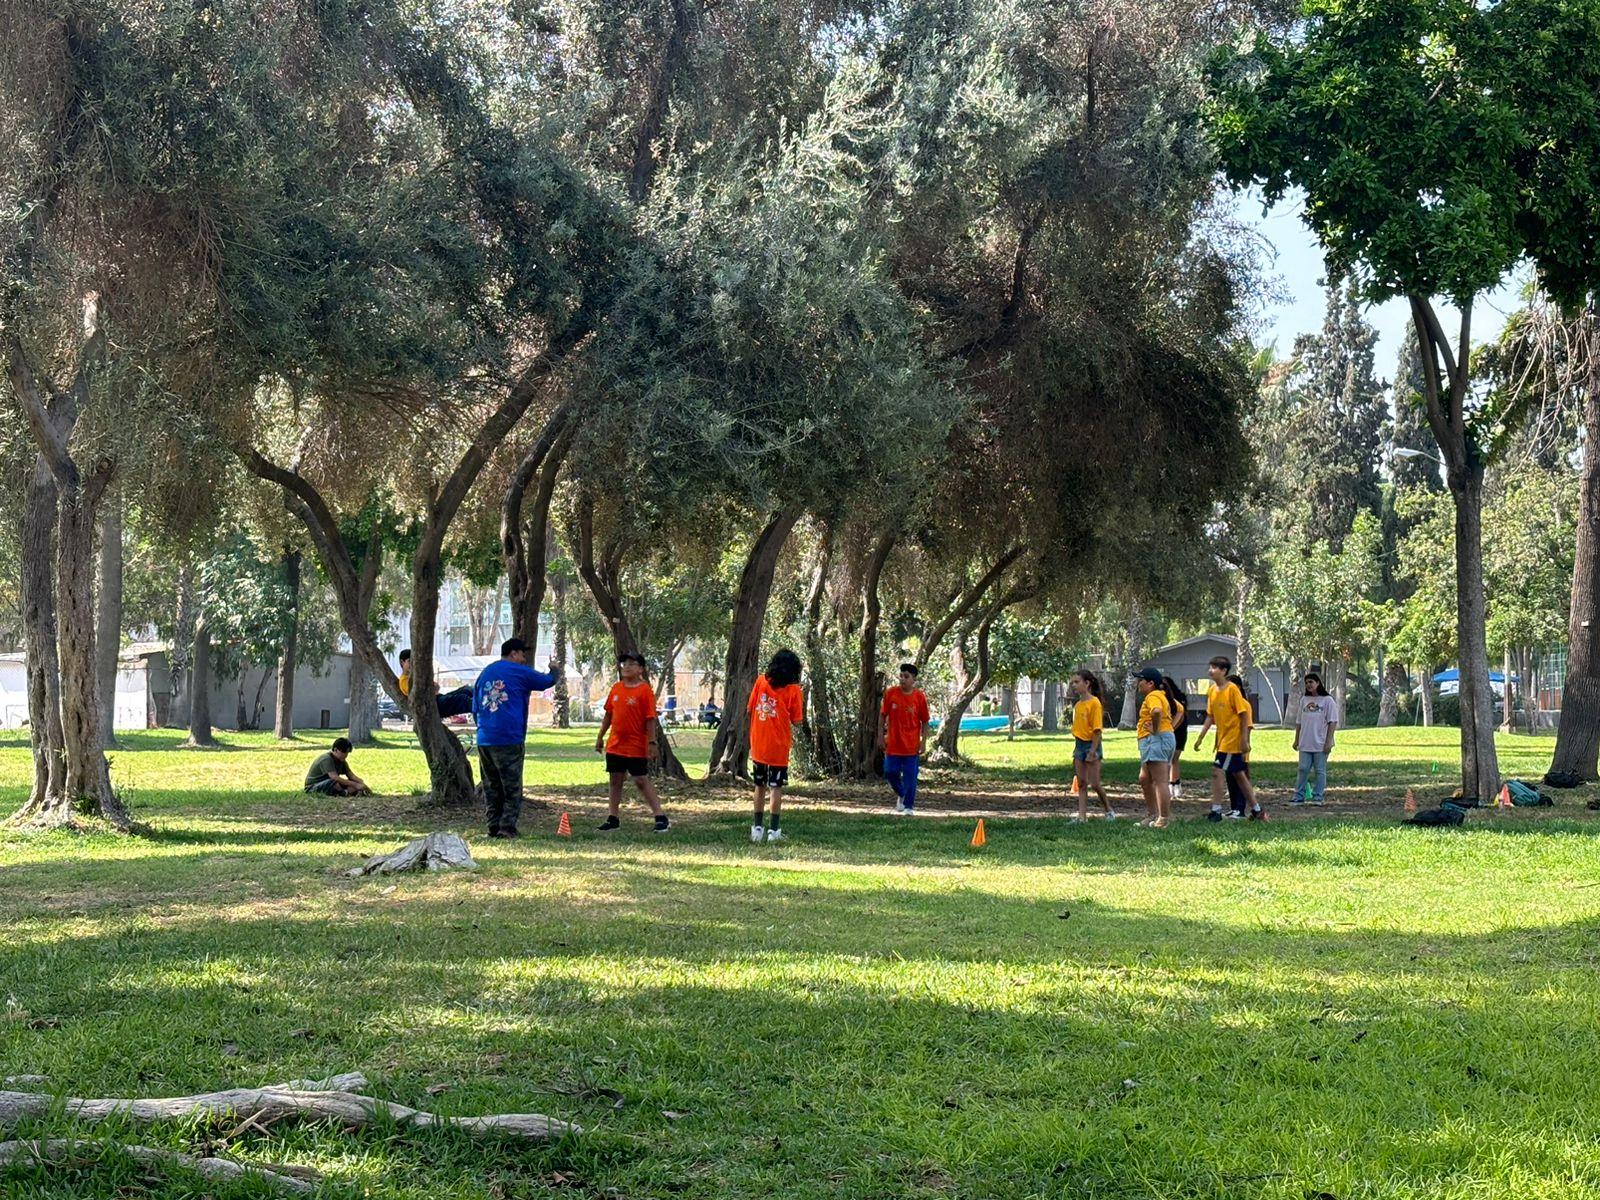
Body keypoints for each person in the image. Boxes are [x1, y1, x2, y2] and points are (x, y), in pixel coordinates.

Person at [472, 637, 557, 838]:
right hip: (508, 737)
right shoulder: (519, 671)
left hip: (484, 738)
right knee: (511, 786)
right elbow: (547, 681)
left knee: (491, 785)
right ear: (513, 654)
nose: (523, 659)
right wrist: (554, 669)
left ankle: (493, 825)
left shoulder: (485, 673)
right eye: (522, 654)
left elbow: (475, 707)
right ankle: (507, 827)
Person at [595, 652, 671, 833]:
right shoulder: (616, 688)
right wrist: (600, 736)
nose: (626, 667)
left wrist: (652, 742)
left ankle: (660, 817)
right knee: (615, 779)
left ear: (641, 669)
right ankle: (613, 818)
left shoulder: (645, 691)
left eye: (631, 663)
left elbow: (650, 718)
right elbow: (608, 715)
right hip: (615, 744)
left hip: (636, 744)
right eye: (624, 664)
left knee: (640, 780)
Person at [1194, 656, 1263, 822]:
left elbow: (1244, 715)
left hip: (1232, 741)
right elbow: (1210, 716)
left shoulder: (1232, 689)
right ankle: (1257, 810)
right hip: (1222, 740)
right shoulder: (1212, 691)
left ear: (1223, 671)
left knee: (1217, 771)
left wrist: (1244, 740)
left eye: (1214, 667)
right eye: (1210, 667)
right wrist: (1201, 737)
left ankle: (1216, 811)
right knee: (1239, 774)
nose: (1210, 670)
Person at [747, 649, 805, 843]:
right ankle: (774, 831)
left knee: (759, 785)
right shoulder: (794, 689)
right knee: (775, 787)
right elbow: (797, 720)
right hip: (779, 746)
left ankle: (757, 829)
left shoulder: (760, 682)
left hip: (759, 742)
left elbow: (750, 708)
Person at [878, 663, 931, 814]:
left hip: (911, 746)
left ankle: (908, 806)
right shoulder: (891, 693)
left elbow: (925, 721)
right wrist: (880, 736)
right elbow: (882, 716)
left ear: (913, 679)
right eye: (901, 676)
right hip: (893, 744)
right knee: (889, 772)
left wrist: (923, 741)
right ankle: (901, 793)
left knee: (910, 777)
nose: (902, 679)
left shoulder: (919, 697)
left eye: (906, 676)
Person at [1069, 668, 1115, 821]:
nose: (1074, 685)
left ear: (1087, 683)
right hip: (1079, 745)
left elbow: (1097, 731)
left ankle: (1108, 810)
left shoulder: (1094, 703)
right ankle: (1082, 816)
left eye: (1077, 682)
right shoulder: (1077, 706)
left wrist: (1092, 751)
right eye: (1072, 683)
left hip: (1091, 745)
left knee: (1094, 783)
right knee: (1081, 783)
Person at [1134, 667, 1175, 828]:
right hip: (1154, 740)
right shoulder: (1158, 695)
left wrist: (1155, 729)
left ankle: (1163, 818)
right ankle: (1152, 814)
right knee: (1145, 778)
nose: (1139, 684)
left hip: (1156, 740)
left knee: (1160, 781)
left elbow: (1156, 711)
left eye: (1141, 680)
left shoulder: (1153, 696)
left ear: (1150, 683)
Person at [1292, 671, 1339, 805]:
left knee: (1320, 770)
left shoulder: (1327, 700)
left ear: (1318, 683)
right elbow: (1299, 722)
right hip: (1305, 742)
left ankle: (1318, 796)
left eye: (1311, 682)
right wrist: (1296, 740)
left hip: (1321, 743)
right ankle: (1298, 796)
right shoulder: (1304, 700)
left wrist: (1329, 741)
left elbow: (1332, 721)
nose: (1308, 685)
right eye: (1306, 683)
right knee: (1303, 768)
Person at [399, 648, 473, 718]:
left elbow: (436, 687)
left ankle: (481, 698)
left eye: (414, 661)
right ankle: (482, 707)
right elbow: (419, 693)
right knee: (462, 699)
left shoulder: (417, 677)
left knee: (466, 690)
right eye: (409, 661)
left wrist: (430, 688)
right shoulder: (404, 680)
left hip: (437, 698)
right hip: (432, 705)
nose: (412, 664)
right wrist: (430, 688)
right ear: (402, 662)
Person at [304, 736, 370, 796]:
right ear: (335, 750)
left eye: (347, 753)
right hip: (313, 787)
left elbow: (351, 776)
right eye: (344, 752)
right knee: (332, 781)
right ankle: (343, 792)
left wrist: (361, 783)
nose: (346, 755)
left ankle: (347, 792)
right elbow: (334, 777)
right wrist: (355, 785)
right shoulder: (326, 759)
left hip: (332, 784)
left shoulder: (341, 761)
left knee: (350, 782)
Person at [1163, 675, 1189, 800]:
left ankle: (1172, 784)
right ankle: (1175, 784)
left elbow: (1181, 715)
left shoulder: (1172, 700)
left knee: (1172, 759)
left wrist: (1171, 728)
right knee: (1174, 760)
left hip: (1175, 731)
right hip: (1179, 730)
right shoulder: (1180, 697)